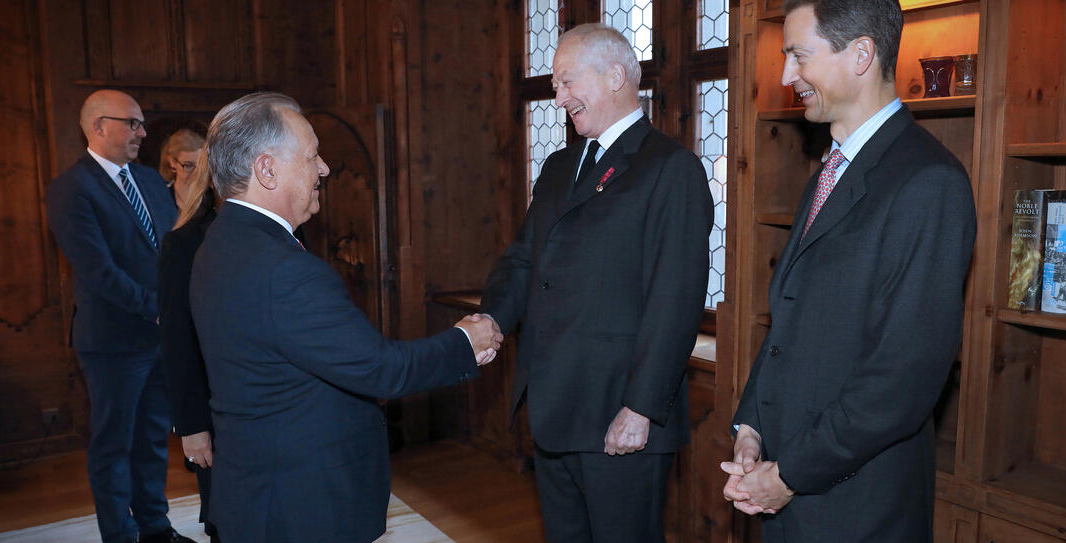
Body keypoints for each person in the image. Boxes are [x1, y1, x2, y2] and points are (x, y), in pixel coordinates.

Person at [188, 92, 502, 543]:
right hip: (301, 505)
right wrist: (463, 343)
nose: (324, 169)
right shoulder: (283, 268)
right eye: (312, 156)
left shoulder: (221, 241)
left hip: (257, 490)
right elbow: (379, 370)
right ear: (267, 169)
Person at [721, 1, 977, 541]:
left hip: (857, 509)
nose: (788, 75)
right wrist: (752, 429)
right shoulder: (830, 171)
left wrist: (790, 475)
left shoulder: (930, 183)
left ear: (861, 54)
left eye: (799, 56)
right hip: (788, 493)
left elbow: (901, 380)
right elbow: (789, 327)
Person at [480, 24, 713, 543]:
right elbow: (523, 260)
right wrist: (491, 317)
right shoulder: (561, 166)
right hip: (554, 408)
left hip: (619, 416)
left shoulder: (671, 169)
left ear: (615, 76)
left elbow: (674, 301)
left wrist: (641, 408)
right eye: (555, 84)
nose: (558, 96)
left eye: (566, 81)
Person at [46, 89, 191, 543]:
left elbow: (171, 252)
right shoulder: (71, 189)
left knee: (151, 442)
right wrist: (161, 310)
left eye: (141, 124)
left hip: (159, 338)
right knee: (114, 447)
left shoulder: (149, 180)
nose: (142, 133)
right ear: (97, 126)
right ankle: (120, 535)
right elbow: (99, 273)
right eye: (132, 123)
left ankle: (155, 529)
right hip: (113, 343)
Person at [158, 152, 221, 542]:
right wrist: (192, 427)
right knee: (225, 516)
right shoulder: (184, 243)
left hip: (275, 413)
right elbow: (177, 341)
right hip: (214, 410)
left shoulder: (287, 232)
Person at [158, 128, 205, 213]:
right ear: (173, 163)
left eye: (201, 164)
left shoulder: (211, 199)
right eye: (189, 165)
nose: (196, 172)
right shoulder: (160, 199)